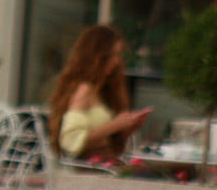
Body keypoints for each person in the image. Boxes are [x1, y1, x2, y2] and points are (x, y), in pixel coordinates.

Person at [48, 24, 152, 161]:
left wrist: (127, 128)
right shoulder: (84, 90)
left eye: (119, 55)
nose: (117, 61)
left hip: (105, 161)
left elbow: (109, 144)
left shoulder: (100, 91)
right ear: (97, 57)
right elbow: (70, 141)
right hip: (92, 166)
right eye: (112, 55)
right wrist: (116, 124)